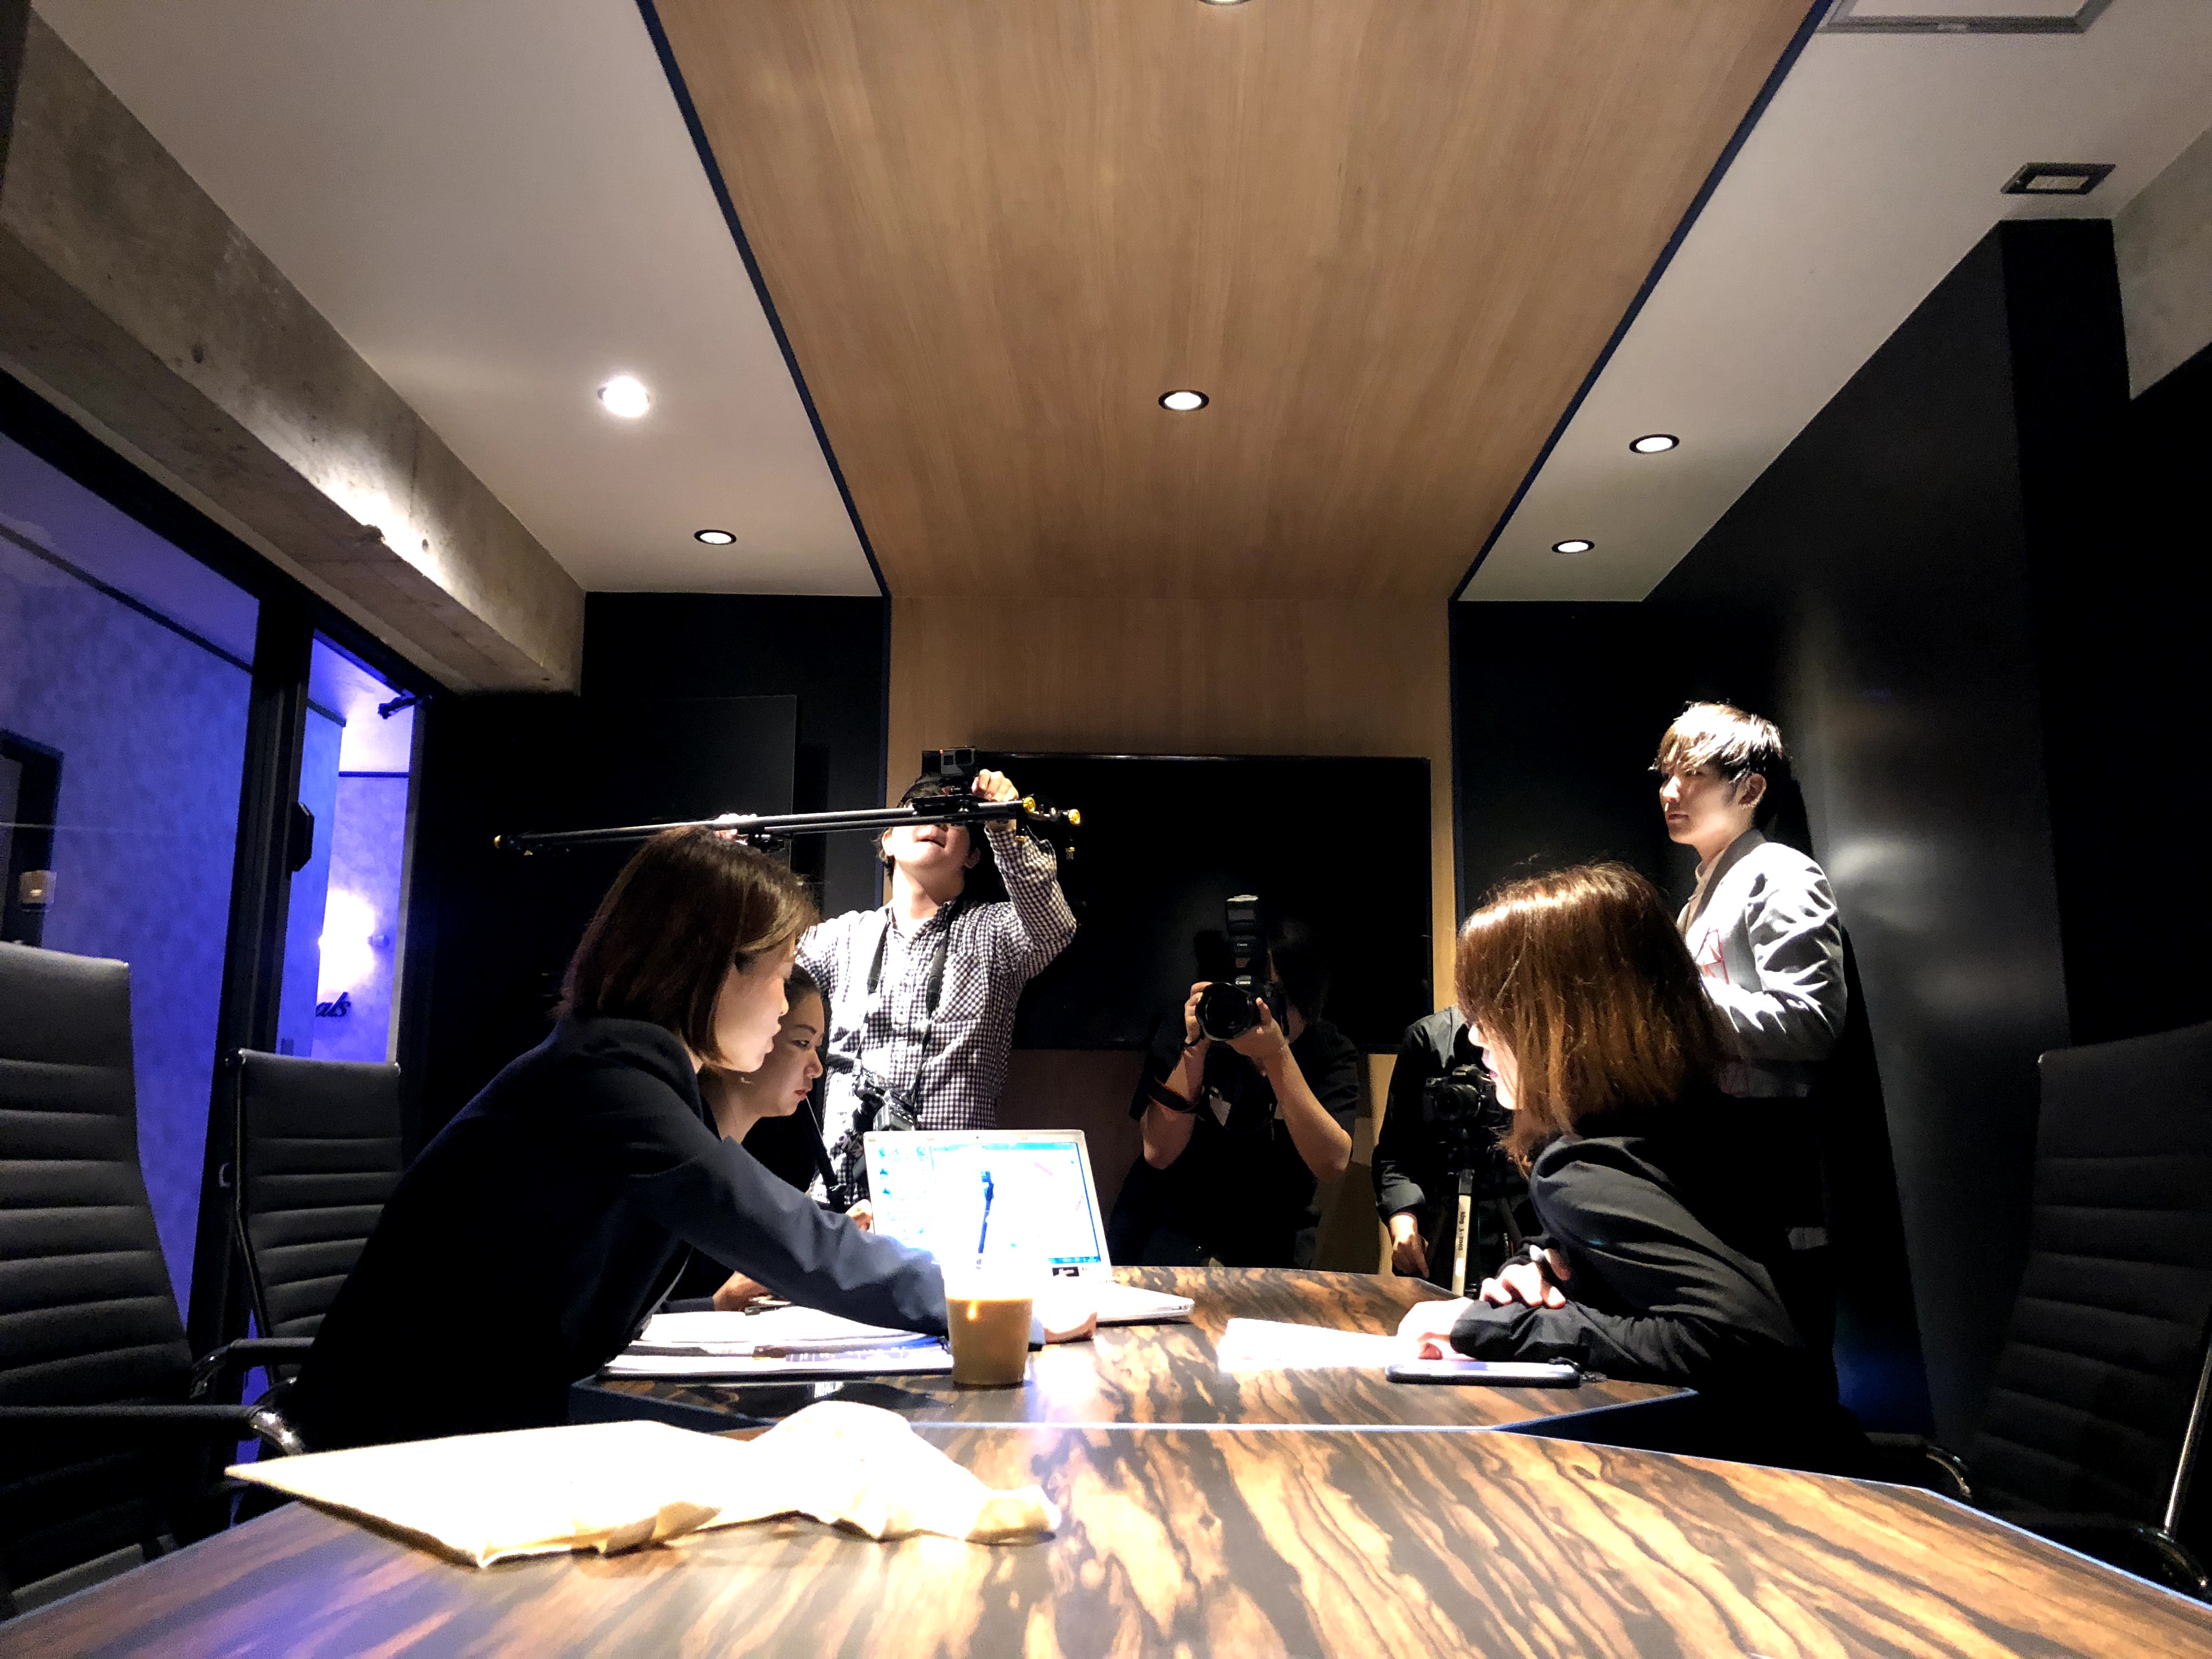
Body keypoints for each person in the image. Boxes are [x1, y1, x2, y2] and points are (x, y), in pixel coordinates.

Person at [287, 828, 950, 1450]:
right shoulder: (609, 1077)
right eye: (780, 974)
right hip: (398, 1449)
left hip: (474, 1427)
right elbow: (781, 1231)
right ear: (713, 967)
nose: (783, 1007)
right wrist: (976, 1301)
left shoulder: (618, 1067)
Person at [1396, 864, 1859, 1472]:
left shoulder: (1582, 1167)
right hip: (1827, 1465)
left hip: (1751, 1492)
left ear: (1565, 1019)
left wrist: (1482, 1328)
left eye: (1496, 1012)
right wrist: (1545, 1264)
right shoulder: (1699, 1127)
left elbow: (1753, 1343)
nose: (1478, 1037)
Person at [1655, 702, 1847, 1354]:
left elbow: (1812, 1020)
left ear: (1751, 788)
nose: (1670, 791)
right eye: (1666, 775)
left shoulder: (1781, 872)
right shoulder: (1698, 900)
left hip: (1771, 1160)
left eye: (1692, 774)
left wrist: (1671, 1008)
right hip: (1722, 1159)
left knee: (1782, 1353)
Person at [799, 765, 1075, 1204]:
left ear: (973, 855)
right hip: (840, 1195)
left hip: (951, 1195)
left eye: (953, 816)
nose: (936, 821)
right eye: (919, 810)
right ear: (888, 840)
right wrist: (727, 866)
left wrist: (1003, 827)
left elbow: (1053, 927)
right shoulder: (841, 938)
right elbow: (759, 970)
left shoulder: (994, 933)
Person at [1108, 918, 1363, 1269]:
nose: (1259, 1010)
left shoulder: (1328, 1052)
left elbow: (1331, 1164)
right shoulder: (1194, 1027)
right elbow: (1158, 1153)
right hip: (1167, 1230)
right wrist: (1195, 1049)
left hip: (1269, 1243)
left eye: (1274, 997)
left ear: (1306, 996)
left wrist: (1277, 1055)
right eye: (1247, 995)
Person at [1370, 1005, 1520, 1285]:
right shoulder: (1428, 1039)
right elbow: (1395, 1153)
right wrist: (1403, 1223)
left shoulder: (1541, 1041)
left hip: (1520, 1231)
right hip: (1441, 1234)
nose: (1479, 1040)